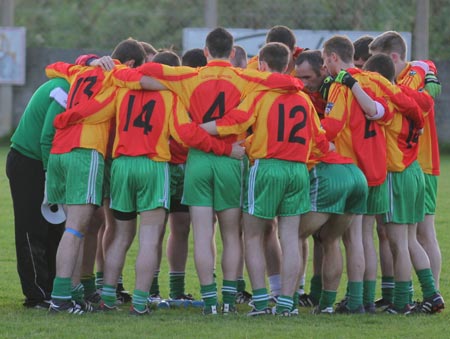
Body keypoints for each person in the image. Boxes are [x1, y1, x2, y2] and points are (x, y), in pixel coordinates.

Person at [112, 27, 298, 315]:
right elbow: (284, 82)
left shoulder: (189, 75)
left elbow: (146, 69)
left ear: (206, 51)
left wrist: (125, 72)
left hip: (198, 158)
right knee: (231, 235)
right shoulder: (244, 75)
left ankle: (209, 302)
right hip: (231, 158)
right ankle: (228, 301)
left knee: (201, 233)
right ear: (234, 52)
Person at [98, 50, 242, 315]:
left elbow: (100, 113)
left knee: (120, 235)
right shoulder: (170, 96)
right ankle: (140, 303)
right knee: (150, 238)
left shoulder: (122, 90)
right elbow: (186, 134)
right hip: (153, 165)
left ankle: (107, 297)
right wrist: (224, 148)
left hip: (121, 164)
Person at [200, 42, 330, 316]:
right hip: (297, 170)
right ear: (288, 67)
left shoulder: (261, 94)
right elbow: (320, 142)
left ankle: (260, 302)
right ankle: (286, 303)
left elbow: (234, 122)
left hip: (268, 167)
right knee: (290, 237)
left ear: (261, 67)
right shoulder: (303, 98)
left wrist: (200, 128)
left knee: (253, 235)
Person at [44, 38, 147, 314]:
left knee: (77, 227)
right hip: (84, 151)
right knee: (76, 229)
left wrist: (87, 60)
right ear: (130, 64)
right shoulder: (117, 76)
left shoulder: (82, 70)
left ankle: (73, 291)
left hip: (59, 150)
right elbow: (112, 100)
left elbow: (52, 67)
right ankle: (60, 298)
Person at [369, 30, 444, 314]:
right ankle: (429, 295)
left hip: (413, 165)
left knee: (416, 236)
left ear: (393, 57)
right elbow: (426, 98)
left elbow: (427, 86)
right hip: (412, 165)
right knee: (408, 237)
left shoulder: (412, 75)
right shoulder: (408, 86)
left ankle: (421, 296)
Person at [6, 77, 68, 309]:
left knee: (54, 227)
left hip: (39, 163)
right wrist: (51, 175)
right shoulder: (64, 88)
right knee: (33, 229)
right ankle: (37, 294)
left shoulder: (70, 83)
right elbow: (46, 138)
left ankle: (51, 288)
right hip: (29, 162)